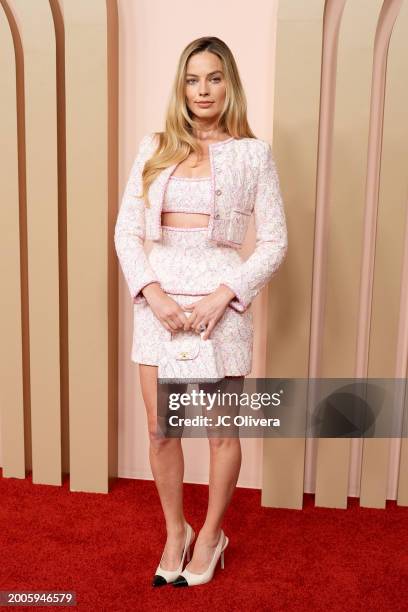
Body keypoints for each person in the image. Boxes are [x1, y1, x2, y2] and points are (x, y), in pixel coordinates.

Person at [114, 36, 288, 587]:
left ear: (229, 83)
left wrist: (224, 295)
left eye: (213, 78)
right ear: (181, 86)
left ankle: (211, 535)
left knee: (219, 434)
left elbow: (274, 241)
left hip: (222, 307)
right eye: (193, 79)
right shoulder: (155, 145)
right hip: (158, 304)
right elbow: (126, 232)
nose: (203, 89)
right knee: (163, 432)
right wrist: (153, 293)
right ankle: (176, 531)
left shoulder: (253, 153)